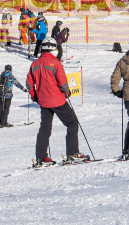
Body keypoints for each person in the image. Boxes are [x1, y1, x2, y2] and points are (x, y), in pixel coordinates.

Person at [27, 38, 86, 167]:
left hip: (43, 101)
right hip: (57, 100)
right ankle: (73, 153)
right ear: (54, 48)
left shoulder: (34, 64)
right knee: (72, 123)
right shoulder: (55, 63)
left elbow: (29, 83)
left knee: (45, 128)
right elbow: (63, 82)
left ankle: (41, 157)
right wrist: (67, 92)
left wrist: (35, 96)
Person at [0, 65, 25, 129]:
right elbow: (17, 83)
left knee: (1, 108)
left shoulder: (0, 76)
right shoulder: (11, 76)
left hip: (0, 94)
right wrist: (23, 89)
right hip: (8, 94)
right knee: (6, 108)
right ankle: (4, 123)